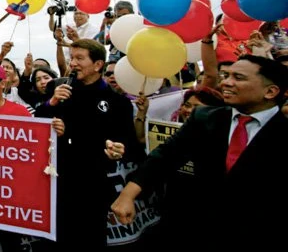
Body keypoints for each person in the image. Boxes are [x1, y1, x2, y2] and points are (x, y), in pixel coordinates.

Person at [112, 55, 288, 249]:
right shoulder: (205, 118)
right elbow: (166, 156)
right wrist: (128, 194)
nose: (226, 83)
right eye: (226, 76)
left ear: (270, 91)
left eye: (238, 78)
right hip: (199, 230)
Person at [35, 39, 139, 251]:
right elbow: (38, 124)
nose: (73, 63)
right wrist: (51, 104)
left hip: (92, 186)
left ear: (98, 65)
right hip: (57, 183)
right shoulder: (61, 89)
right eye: (72, 58)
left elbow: (127, 143)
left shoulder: (118, 102)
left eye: (79, 58)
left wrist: (118, 151)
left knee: (89, 239)